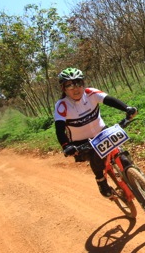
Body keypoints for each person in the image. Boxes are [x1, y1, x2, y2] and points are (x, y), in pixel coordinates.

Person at [54, 67, 137, 197]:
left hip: (101, 132)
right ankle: (101, 181)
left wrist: (127, 108)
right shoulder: (62, 105)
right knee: (96, 158)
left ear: (83, 84)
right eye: (70, 85)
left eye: (78, 83)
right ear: (64, 89)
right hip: (81, 141)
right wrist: (66, 146)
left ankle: (136, 179)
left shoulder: (90, 93)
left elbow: (109, 100)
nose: (76, 89)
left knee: (123, 157)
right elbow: (59, 128)